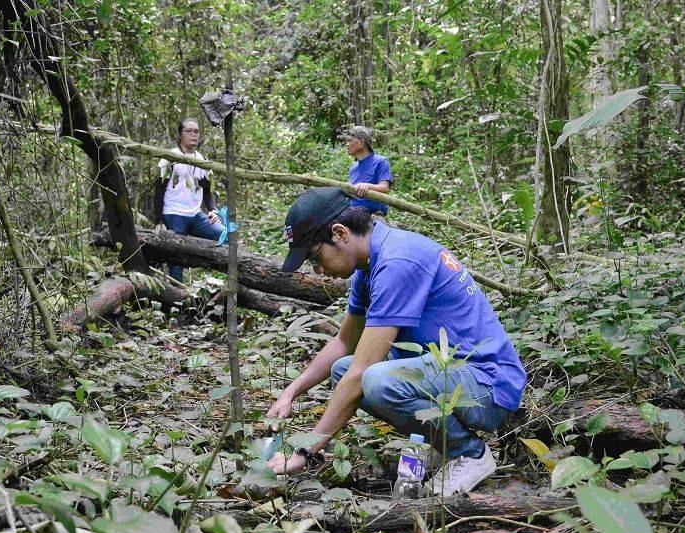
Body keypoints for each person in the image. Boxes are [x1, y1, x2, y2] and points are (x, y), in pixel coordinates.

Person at [266, 187, 527, 496]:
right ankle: (444, 443)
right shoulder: (371, 265)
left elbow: (363, 372)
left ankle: (469, 453)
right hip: (452, 375)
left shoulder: (397, 263)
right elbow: (344, 343)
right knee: (342, 369)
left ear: (339, 233)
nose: (319, 271)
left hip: (489, 386)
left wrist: (305, 451)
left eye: (314, 257)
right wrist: (291, 391)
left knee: (374, 380)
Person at [153, 118, 223, 282]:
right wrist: (158, 220)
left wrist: (213, 210)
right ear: (180, 134)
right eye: (189, 131)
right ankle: (177, 301)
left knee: (224, 235)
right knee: (176, 259)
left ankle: (200, 267)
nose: (193, 135)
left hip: (195, 215)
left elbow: (207, 192)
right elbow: (159, 191)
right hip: (173, 214)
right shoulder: (170, 158)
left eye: (196, 132)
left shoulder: (203, 161)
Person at [343, 126, 393, 216]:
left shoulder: (380, 161)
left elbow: (384, 188)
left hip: (373, 215)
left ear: (361, 143)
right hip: (352, 213)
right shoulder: (353, 168)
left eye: (350, 141)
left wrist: (367, 186)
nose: (347, 144)